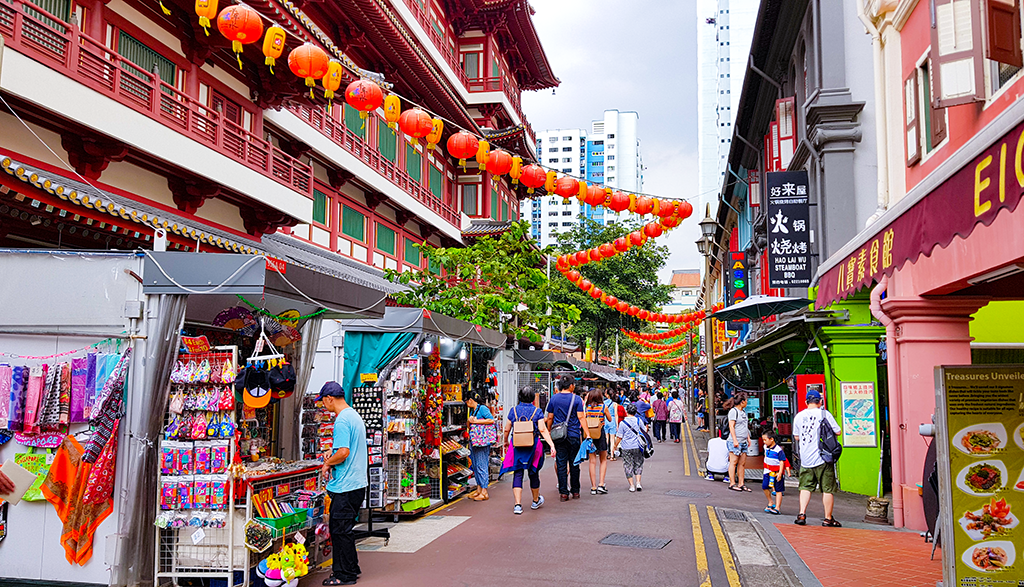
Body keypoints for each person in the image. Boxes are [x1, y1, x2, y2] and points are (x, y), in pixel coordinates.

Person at [318, 382, 368, 586]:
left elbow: (344, 452)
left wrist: (327, 463)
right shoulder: (353, 415)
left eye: (323, 401)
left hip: (346, 486)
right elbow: (345, 449)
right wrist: (334, 452)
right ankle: (351, 567)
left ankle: (344, 574)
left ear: (330, 398)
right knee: (345, 528)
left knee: (340, 530)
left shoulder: (341, 421)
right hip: (356, 484)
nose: (323, 405)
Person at [501, 386, 557, 514]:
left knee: (518, 473)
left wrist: (505, 441)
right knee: (533, 473)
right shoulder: (537, 412)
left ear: (519, 397)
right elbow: (542, 430)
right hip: (533, 446)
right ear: (533, 398)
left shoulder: (513, 411)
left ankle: (518, 505)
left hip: (517, 446)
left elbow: (507, 429)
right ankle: (535, 501)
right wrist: (551, 445)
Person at [792, 390, 842, 527]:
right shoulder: (824, 414)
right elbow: (838, 431)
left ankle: (801, 514)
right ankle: (827, 518)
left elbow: (796, 436)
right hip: (823, 458)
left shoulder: (799, 416)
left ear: (806, 402)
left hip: (806, 458)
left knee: (805, 487)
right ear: (820, 401)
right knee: (827, 489)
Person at [545, 375, 587, 501]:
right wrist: (587, 433)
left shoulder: (554, 399)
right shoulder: (577, 399)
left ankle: (563, 493)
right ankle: (575, 491)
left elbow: (550, 417)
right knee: (575, 464)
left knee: (561, 463)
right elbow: (581, 417)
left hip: (558, 436)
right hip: (574, 434)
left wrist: (549, 431)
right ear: (571, 386)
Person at [466, 393, 494, 501]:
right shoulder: (473, 410)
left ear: (471, 400)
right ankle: (479, 489)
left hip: (482, 442)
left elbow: (491, 420)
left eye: (467, 400)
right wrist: (470, 421)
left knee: (482, 465)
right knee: (476, 465)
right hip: (475, 441)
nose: (466, 403)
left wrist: (476, 421)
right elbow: (470, 426)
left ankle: (484, 491)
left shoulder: (482, 408)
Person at [613, 403, 647, 492]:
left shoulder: (623, 423)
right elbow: (644, 431)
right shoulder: (639, 421)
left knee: (628, 465)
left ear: (626, 411)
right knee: (638, 463)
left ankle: (631, 485)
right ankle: (638, 483)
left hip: (626, 447)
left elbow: (619, 437)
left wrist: (615, 446)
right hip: (638, 446)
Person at [585, 389, 611, 494]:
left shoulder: (587, 408)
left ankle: (593, 487)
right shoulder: (603, 407)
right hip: (600, 434)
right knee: (603, 459)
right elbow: (610, 419)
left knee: (592, 461)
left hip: (590, 434)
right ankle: (601, 484)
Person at [725, 392, 751, 492]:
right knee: (733, 462)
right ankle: (732, 483)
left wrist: (748, 438)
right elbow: (731, 426)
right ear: (742, 402)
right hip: (734, 441)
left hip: (743, 441)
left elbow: (744, 426)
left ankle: (741, 483)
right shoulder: (733, 411)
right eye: (746, 401)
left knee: (742, 463)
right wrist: (735, 440)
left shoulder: (743, 412)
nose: (747, 402)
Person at [762, 431, 791, 515]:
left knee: (778, 490)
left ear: (772, 439)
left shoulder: (778, 450)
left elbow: (782, 461)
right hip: (767, 470)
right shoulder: (765, 447)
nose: (764, 442)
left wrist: (780, 472)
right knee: (765, 486)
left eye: (765, 440)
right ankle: (770, 502)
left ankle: (777, 507)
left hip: (777, 471)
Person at [603, 389, 618, 461]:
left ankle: (605, 454)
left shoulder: (604, 403)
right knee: (612, 439)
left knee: (606, 439)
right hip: (612, 421)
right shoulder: (615, 404)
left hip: (605, 420)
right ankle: (612, 455)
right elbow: (616, 414)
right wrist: (617, 424)